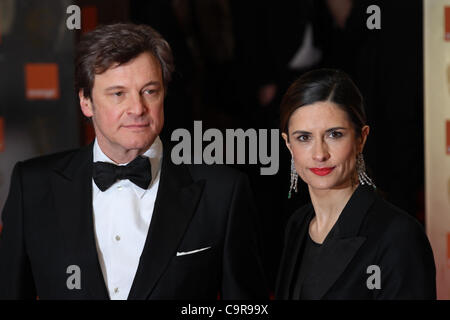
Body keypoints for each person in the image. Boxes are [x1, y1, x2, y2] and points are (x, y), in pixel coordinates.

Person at [0, 23, 267, 300]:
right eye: (118, 94)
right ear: (86, 101)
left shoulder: (222, 192)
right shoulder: (32, 187)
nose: (138, 109)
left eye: (150, 91)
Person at [275, 69, 436, 299]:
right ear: (289, 145)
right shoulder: (297, 225)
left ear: (361, 139)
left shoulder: (399, 237)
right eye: (304, 138)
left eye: (334, 135)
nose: (319, 154)